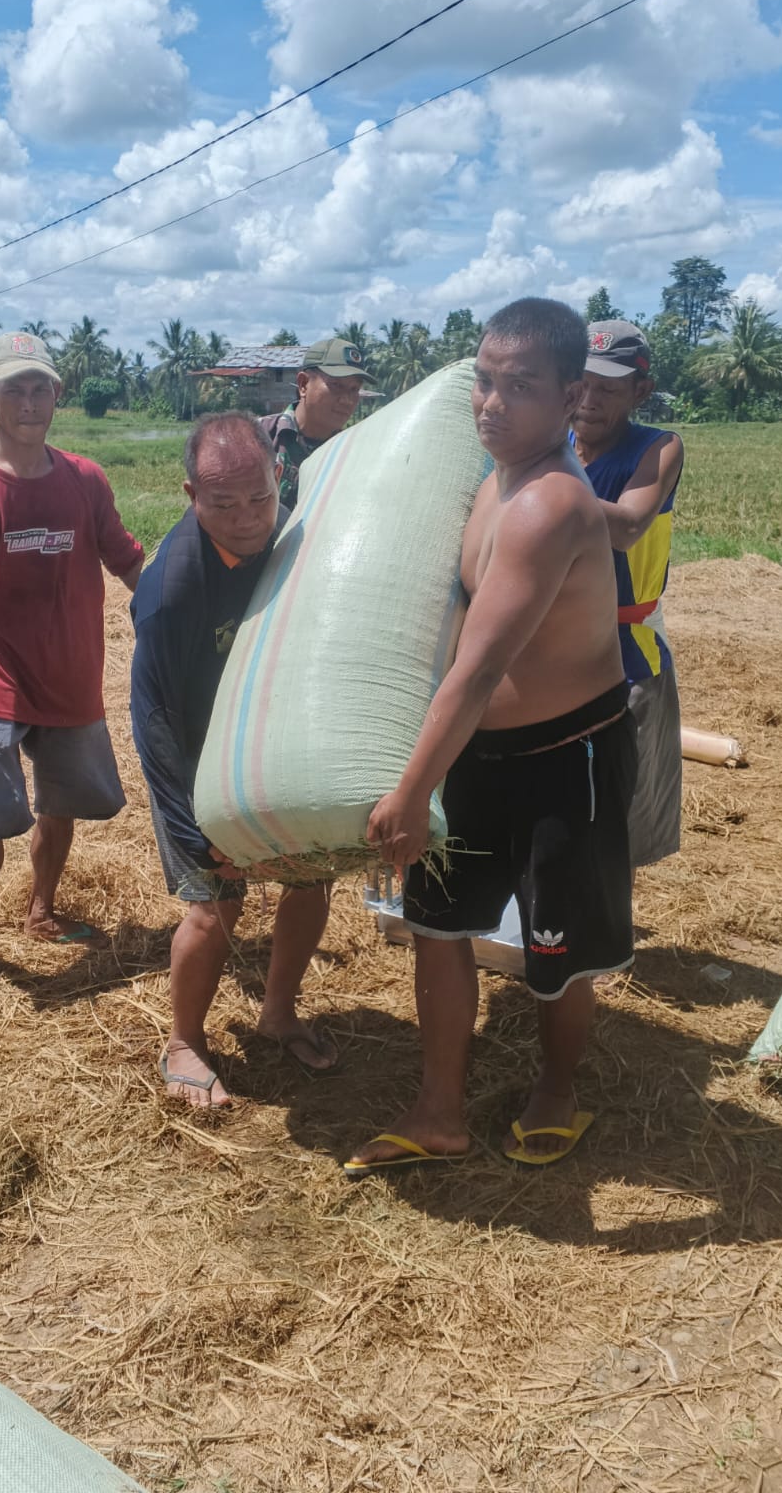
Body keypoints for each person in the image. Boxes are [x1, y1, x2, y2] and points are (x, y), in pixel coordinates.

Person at [347, 298, 636, 1177]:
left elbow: (477, 669)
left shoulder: (552, 506)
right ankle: (440, 1112)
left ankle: (557, 1089)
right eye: (484, 381)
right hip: (479, 753)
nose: (492, 404)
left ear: (571, 395)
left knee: (557, 947)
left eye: (521, 387)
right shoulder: (491, 483)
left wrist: (409, 791)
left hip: (568, 758)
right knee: (437, 925)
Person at [0, 331, 144, 994]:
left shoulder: (84, 479)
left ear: (57, 395)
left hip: (71, 676)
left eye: (41, 388)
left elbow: (127, 559)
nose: (30, 402)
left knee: (60, 802)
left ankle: (42, 909)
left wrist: (178, 617)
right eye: (15, 389)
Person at [130, 412, 337, 1107]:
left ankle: (279, 1013)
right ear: (191, 495)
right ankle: (184, 1042)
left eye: (259, 497)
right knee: (216, 900)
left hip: (269, 731)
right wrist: (195, 830)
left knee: (310, 877)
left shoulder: (293, 534)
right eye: (223, 504)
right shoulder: (172, 591)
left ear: (279, 476)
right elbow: (155, 719)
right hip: (192, 749)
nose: (247, 518)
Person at [574, 321, 684, 870]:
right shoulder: (551, 446)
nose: (589, 400)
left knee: (618, 819)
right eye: (581, 383)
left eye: (608, 388)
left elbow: (629, 526)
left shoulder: (657, 448)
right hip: (551, 650)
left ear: (641, 391)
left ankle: (606, 914)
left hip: (625, 655)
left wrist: (533, 486)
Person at [259, 337, 375, 510]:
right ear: (303, 384)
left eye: (354, 389)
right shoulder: (257, 437)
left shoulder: (354, 453)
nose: (347, 400)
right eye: (336, 385)